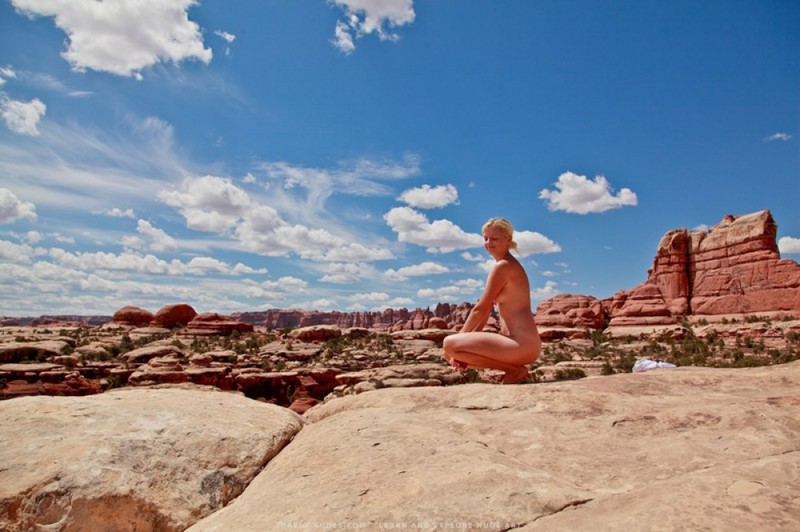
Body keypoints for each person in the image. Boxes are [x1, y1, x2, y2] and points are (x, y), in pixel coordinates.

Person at [443, 217, 542, 384]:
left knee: (450, 344)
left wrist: (458, 342)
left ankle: (513, 370)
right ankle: (513, 370)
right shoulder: (506, 264)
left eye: (494, 238)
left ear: (508, 240)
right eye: (485, 238)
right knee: (456, 351)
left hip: (521, 345)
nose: (489, 243)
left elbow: (479, 309)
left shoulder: (503, 266)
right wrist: (461, 346)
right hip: (521, 345)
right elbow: (485, 311)